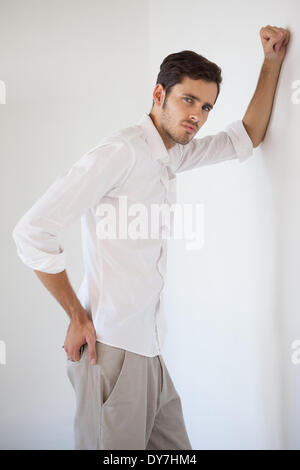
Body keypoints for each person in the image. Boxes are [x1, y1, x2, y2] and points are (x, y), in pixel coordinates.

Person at [12, 25, 290, 450]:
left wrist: (272, 63)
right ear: (159, 95)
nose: (197, 115)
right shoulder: (122, 152)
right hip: (111, 350)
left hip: (150, 353)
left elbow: (246, 136)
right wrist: (76, 315)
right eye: (188, 100)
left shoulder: (172, 154)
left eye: (207, 106)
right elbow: (33, 231)